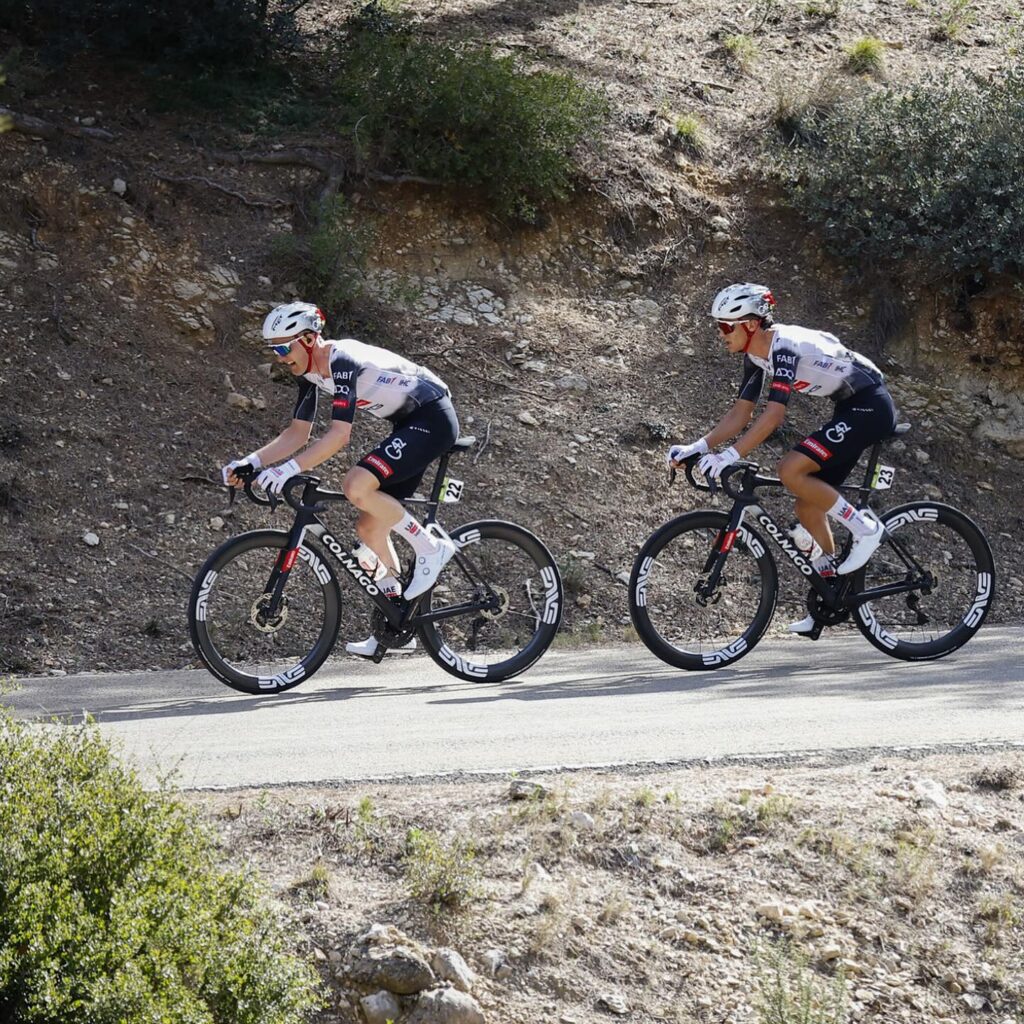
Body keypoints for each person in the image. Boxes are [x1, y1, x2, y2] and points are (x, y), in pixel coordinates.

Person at [221, 301, 458, 658]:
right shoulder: (309, 373)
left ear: (308, 339)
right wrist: (251, 463)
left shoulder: (341, 360)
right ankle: (397, 623)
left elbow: (338, 435)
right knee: (369, 529)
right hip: (408, 424)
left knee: (356, 485)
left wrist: (288, 469)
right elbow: (297, 433)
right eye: (274, 350)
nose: (280, 357)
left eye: (284, 347)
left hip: (432, 416)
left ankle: (430, 548)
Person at [667, 283, 897, 637]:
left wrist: (730, 454)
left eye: (726, 326)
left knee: (790, 469)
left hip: (871, 405)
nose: (721, 334)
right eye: (719, 326)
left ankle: (865, 529)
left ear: (750, 325)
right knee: (807, 508)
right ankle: (830, 594)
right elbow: (742, 413)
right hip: (849, 408)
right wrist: (699, 446)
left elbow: (773, 416)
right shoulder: (756, 355)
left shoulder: (783, 347)